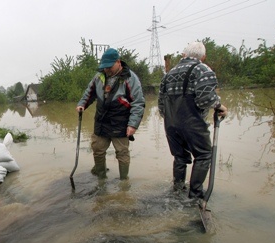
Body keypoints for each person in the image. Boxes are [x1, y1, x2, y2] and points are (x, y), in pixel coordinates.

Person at [158, 41, 228, 200]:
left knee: (180, 157)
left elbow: (161, 104)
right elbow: (205, 99)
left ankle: (177, 190)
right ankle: (195, 195)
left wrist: (171, 120)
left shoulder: (168, 74)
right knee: (203, 155)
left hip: (170, 124)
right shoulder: (203, 70)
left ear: (184, 55)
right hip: (192, 122)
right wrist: (219, 105)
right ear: (203, 56)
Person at [76, 48, 145, 180]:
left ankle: (124, 182)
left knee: (122, 153)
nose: (106, 70)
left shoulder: (130, 78)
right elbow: (89, 93)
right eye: (104, 67)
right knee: (97, 150)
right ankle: (101, 178)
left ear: (118, 62)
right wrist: (82, 104)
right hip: (101, 121)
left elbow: (138, 103)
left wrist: (133, 125)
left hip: (120, 122)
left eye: (109, 67)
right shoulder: (98, 76)